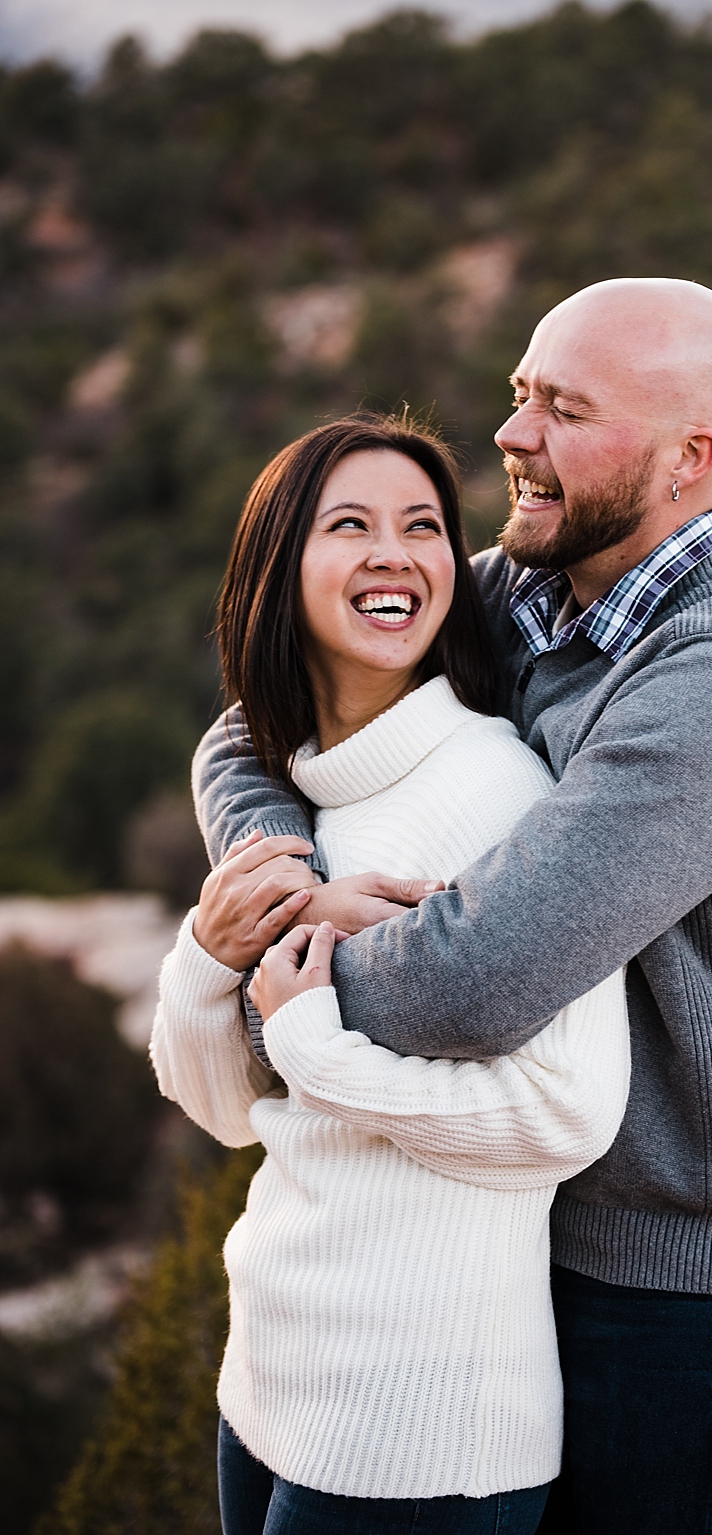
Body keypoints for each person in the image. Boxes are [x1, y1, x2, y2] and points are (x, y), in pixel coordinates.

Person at [192, 278, 712, 1532]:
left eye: (561, 407)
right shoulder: (513, 595)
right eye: (516, 394)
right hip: (515, 1225)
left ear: (687, 458)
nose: (509, 435)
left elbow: (471, 979)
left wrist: (288, 984)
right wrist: (287, 874)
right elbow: (252, 722)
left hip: (682, 1279)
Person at [152, 415, 631, 1531]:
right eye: (350, 524)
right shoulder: (298, 800)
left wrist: (316, 1046)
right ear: (280, 567)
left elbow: (567, 1114)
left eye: (422, 526)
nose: (394, 552)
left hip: (421, 1432)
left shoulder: (498, 795)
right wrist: (202, 955)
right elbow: (224, 1111)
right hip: (268, 1383)